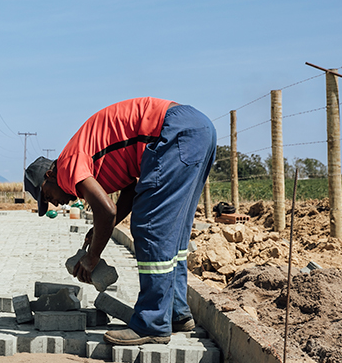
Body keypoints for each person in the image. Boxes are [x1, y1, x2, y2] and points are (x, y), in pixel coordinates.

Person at [24, 97, 216, 345]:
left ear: (50, 175)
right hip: (197, 129)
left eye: (48, 196)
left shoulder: (67, 165)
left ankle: (152, 324)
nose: (55, 203)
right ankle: (176, 313)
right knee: (173, 233)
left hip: (172, 132)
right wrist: (99, 230)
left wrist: (92, 257)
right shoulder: (91, 162)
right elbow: (128, 193)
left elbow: (107, 211)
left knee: (150, 228)